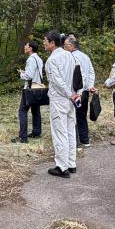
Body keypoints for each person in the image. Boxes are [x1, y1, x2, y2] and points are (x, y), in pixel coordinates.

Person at [44, 30, 79, 177]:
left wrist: (69, 94)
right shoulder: (69, 55)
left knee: (60, 132)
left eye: (45, 41)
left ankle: (62, 166)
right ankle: (71, 163)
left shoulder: (52, 60)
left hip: (60, 99)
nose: (43, 43)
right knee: (70, 130)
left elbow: (57, 81)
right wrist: (75, 94)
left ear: (52, 43)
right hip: (71, 99)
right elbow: (77, 75)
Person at [63, 34, 95, 148]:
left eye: (65, 45)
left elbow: (76, 76)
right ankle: (85, 140)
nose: (64, 47)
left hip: (76, 92)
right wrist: (90, 85)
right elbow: (91, 71)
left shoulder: (70, 57)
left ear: (71, 46)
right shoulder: (85, 56)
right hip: (85, 91)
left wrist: (76, 92)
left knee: (73, 116)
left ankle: (75, 143)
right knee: (82, 115)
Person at [14, 40, 44, 143]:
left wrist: (22, 74)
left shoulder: (31, 59)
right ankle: (36, 132)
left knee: (22, 111)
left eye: (26, 45)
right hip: (38, 87)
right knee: (36, 111)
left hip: (30, 89)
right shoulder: (39, 59)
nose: (25, 47)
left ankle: (23, 137)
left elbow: (29, 75)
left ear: (30, 48)